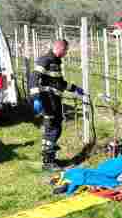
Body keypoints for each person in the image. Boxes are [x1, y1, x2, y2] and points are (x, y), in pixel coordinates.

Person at [30, 40, 86, 171]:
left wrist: (74, 88)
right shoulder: (46, 60)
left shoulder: (55, 63)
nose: (66, 53)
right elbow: (34, 77)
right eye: (65, 50)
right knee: (53, 128)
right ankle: (48, 162)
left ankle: (49, 158)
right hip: (47, 100)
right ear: (59, 48)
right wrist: (36, 98)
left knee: (54, 127)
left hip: (54, 100)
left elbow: (59, 83)